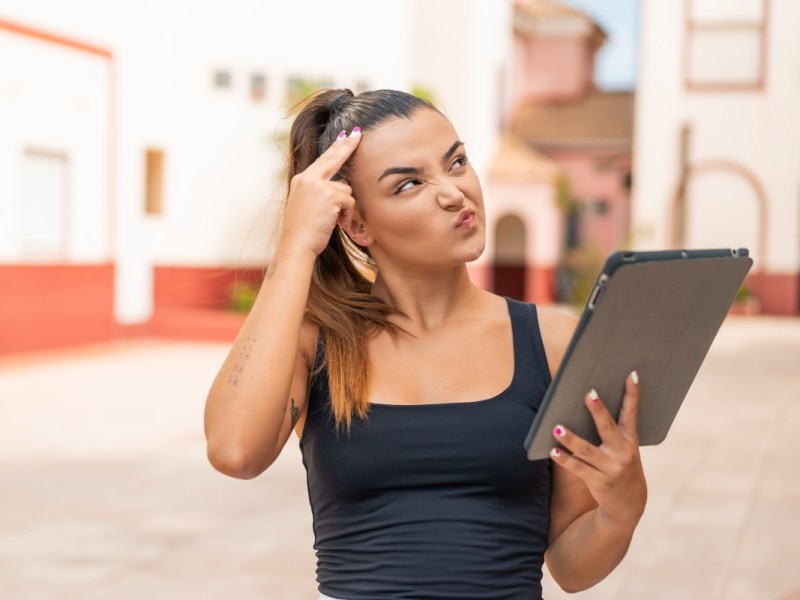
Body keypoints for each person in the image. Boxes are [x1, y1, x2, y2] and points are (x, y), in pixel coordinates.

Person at [204, 88, 648, 599]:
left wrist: (622, 509)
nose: (454, 192)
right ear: (355, 223)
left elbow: (571, 567)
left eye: (456, 162)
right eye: (410, 183)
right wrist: (296, 248)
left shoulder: (552, 343)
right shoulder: (320, 344)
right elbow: (235, 452)